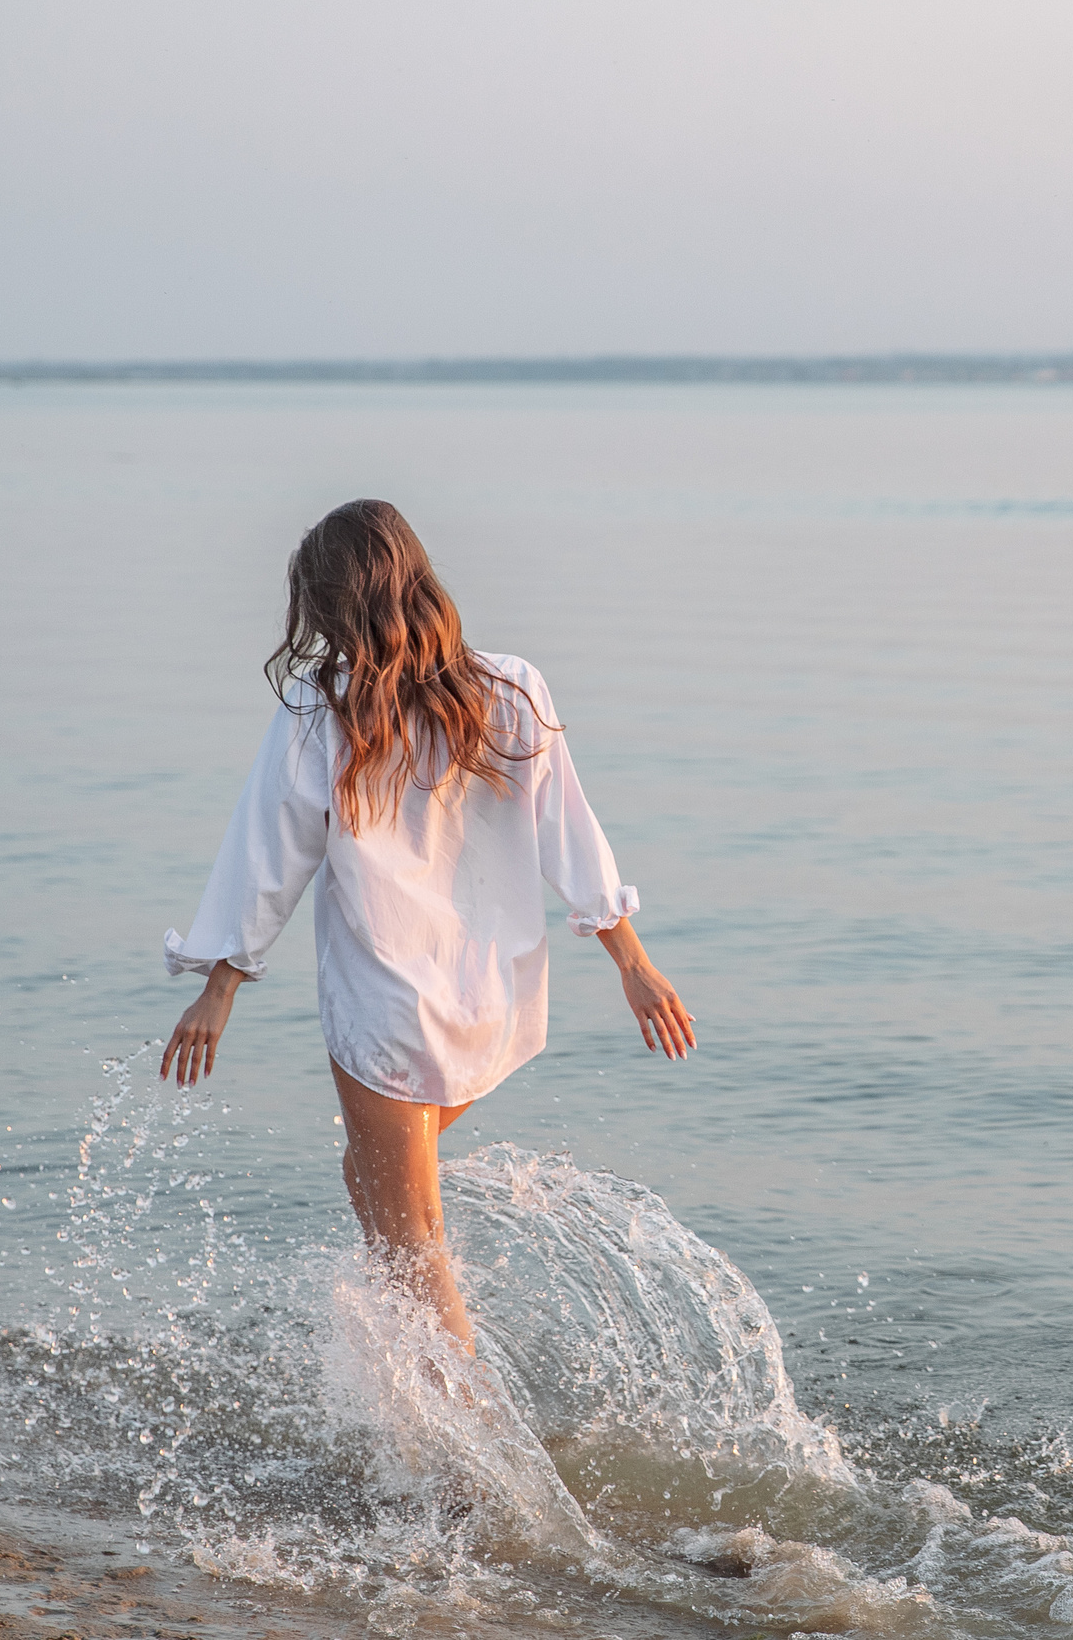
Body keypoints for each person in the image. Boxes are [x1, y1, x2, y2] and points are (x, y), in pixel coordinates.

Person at [157, 499, 695, 1357]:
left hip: (387, 1009)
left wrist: (221, 985)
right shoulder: (511, 687)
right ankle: (404, 1434)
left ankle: (474, 1463)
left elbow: (269, 855)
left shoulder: (319, 708)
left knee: (411, 1248)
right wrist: (631, 962)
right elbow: (573, 833)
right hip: (491, 996)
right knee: (379, 1202)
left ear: (335, 604)